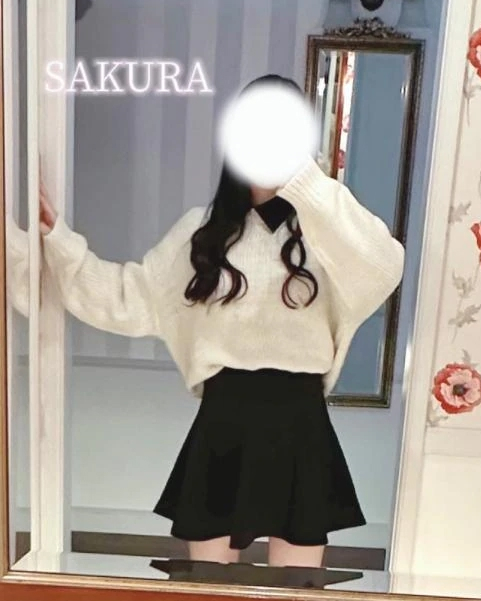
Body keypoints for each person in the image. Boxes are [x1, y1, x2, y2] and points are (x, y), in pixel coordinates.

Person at [38, 74, 405, 568]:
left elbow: (384, 266)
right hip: (224, 421)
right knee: (207, 588)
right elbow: (129, 298)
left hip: (299, 423)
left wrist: (306, 182)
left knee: (295, 592)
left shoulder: (327, 228)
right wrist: (59, 243)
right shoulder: (202, 231)